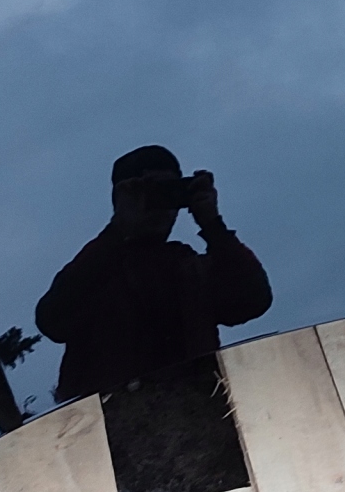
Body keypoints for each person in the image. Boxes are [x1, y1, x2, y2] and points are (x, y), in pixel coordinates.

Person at [35, 145, 273, 402]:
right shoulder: (97, 269)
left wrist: (213, 224)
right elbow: (53, 320)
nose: (161, 206)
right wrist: (118, 229)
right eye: (148, 192)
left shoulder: (189, 267)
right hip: (110, 417)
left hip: (193, 409)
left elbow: (253, 300)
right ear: (121, 198)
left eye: (169, 192)